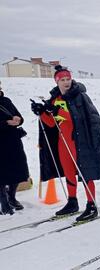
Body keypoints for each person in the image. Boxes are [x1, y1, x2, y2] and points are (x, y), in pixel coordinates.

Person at [31, 65, 100, 222]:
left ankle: (91, 205)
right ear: (56, 82)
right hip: (62, 143)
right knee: (69, 172)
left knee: (85, 172)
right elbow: (51, 123)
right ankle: (72, 202)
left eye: (68, 79)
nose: (66, 82)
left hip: (79, 141)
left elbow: (82, 119)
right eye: (62, 80)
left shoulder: (79, 96)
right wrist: (42, 112)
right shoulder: (55, 99)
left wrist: (58, 112)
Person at [0, 81, 29, 215]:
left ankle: (12, 196)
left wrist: (19, 119)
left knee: (18, 169)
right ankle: (4, 201)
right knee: (1, 172)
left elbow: (19, 116)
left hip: (13, 141)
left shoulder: (6, 100)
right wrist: (6, 123)